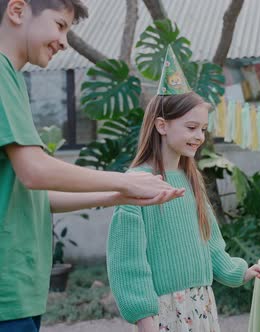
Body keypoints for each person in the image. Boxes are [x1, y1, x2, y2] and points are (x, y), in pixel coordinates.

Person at [0, 1, 184, 331]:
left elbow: (39, 196)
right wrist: (127, 182)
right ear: (17, 11)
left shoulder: (11, 79)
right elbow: (35, 171)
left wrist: (118, 195)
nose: (63, 41)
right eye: (59, 25)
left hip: (18, 291)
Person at [107, 47, 260, 332]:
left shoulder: (190, 179)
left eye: (203, 129)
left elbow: (210, 240)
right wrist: (145, 319)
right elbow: (127, 261)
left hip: (200, 304)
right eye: (191, 127)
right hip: (162, 312)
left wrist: (238, 271)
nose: (199, 137)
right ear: (162, 125)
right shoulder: (135, 182)